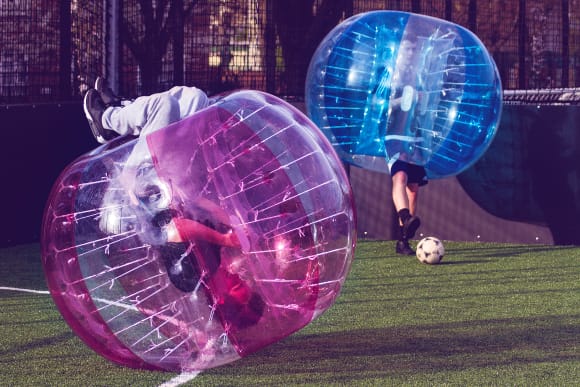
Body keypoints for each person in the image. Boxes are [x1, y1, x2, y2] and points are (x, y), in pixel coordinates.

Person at [83, 78, 265, 327]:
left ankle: (106, 120)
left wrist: (224, 238)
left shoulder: (190, 279)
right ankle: (125, 107)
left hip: (143, 186)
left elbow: (174, 229)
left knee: (164, 106)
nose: (240, 280)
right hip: (169, 180)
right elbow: (197, 203)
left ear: (224, 300)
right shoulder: (217, 262)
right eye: (243, 285)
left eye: (238, 290)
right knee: (195, 99)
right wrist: (234, 222)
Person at [381, 36, 428, 256]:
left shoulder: (420, 76)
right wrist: (401, 102)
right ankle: (405, 216)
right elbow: (376, 104)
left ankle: (403, 241)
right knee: (399, 177)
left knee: (413, 190)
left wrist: (422, 101)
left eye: (413, 50)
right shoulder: (388, 74)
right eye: (407, 49)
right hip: (394, 136)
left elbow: (425, 109)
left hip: (415, 138)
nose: (410, 53)